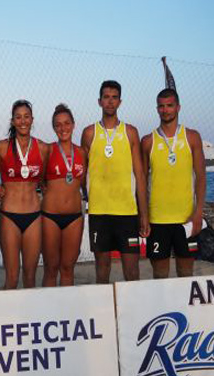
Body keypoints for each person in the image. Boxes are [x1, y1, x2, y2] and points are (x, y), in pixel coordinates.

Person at [81, 80, 149, 284]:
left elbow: (140, 174)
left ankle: (133, 314)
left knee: (132, 271)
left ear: (120, 101)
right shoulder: (89, 133)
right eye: (106, 97)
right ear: (99, 101)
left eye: (114, 97)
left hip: (127, 213)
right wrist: (89, 198)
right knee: (102, 270)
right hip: (99, 212)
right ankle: (104, 315)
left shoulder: (130, 132)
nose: (110, 101)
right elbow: (82, 173)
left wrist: (143, 214)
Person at [141, 88, 206, 278]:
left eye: (169, 105)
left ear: (178, 107)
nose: (165, 110)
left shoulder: (192, 137)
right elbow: (142, 183)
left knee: (186, 274)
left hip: (185, 219)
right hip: (157, 220)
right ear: (157, 109)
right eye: (161, 106)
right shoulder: (147, 141)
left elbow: (201, 176)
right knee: (160, 277)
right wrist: (143, 215)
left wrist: (198, 213)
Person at [0, 100, 48, 289]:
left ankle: (29, 316)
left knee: (31, 276)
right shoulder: (2, 147)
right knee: (12, 276)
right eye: (18, 117)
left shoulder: (43, 148)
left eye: (26, 117)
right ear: (12, 121)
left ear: (32, 120)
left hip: (34, 215)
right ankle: (9, 316)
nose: (23, 121)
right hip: (10, 215)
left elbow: (43, 180)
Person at [41, 104, 86, 286]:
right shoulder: (48, 150)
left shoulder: (82, 152)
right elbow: (39, 179)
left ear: (74, 125)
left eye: (67, 123)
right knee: (51, 268)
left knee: (68, 268)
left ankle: (67, 309)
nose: (63, 128)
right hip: (50, 216)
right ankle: (48, 311)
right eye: (58, 125)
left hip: (74, 217)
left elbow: (82, 183)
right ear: (53, 128)